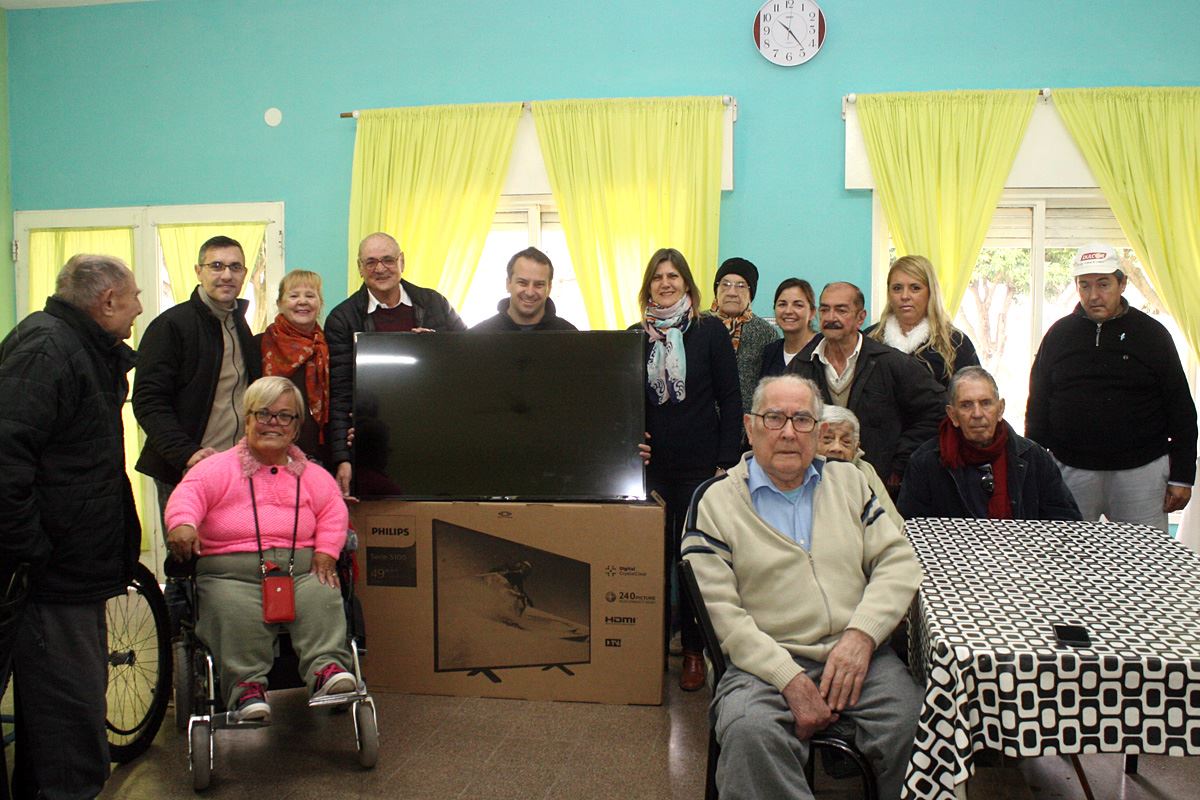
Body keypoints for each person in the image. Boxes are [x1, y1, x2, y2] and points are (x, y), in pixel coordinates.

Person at [682, 374, 923, 800]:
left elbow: (898, 560)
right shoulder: (715, 503)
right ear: (750, 426)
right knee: (749, 732)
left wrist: (862, 635)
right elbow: (721, 614)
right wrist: (788, 677)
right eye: (774, 418)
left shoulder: (851, 483)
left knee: (920, 725)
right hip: (760, 663)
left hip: (858, 654)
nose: (790, 432)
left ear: (817, 429)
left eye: (803, 419)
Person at [0, 254, 143, 798]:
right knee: (72, 723)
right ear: (107, 301)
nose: (138, 309)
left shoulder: (79, 347)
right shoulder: (48, 349)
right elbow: (6, 456)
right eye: (132, 297)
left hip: (72, 565)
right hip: (52, 574)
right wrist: (32, 550)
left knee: (57, 723)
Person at [164, 376, 356, 723]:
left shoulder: (314, 475)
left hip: (302, 569)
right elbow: (186, 497)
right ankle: (246, 690)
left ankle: (327, 671)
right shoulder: (215, 468)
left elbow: (333, 513)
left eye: (285, 416)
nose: (274, 423)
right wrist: (183, 524)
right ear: (247, 418)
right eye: (264, 414)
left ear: (296, 428)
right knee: (231, 609)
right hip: (229, 572)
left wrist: (326, 550)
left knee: (323, 595)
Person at [133, 234, 262, 630]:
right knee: (185, 566)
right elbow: (148, 402)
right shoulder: (171, 326)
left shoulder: (240, 324)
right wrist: (187, 454)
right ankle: (177, 662)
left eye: (235, 267)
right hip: (184, 467)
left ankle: (223, 649)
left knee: (227, 561)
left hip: (234, 467)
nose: (226, 274)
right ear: (199, 272)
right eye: (217, 266)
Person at [1026, 243, 1197, 535]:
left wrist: (1182, 476)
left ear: (1122, 283)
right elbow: (1038, 406)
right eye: (1085, 285)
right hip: (1070, 468)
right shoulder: (1058, 335)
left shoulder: (1152, 335)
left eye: (1103, 284)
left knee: (1145, 561)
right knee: (1065, 558)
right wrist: (1032, 469)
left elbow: (1180, 407)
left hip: (1141, 472)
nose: (1094, 295)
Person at [632, 248, 741, 692]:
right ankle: (651, 647)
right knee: (650, 561)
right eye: (657, 277)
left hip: (701, 467)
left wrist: (725, 462)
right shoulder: (634, 336)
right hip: (650, 469)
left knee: (693, 562)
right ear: (648, 286)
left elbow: (732, 399)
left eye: (673, 275)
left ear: (687, 284)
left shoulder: (709, 332)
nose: (666, 283)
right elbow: (624, 404)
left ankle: (694, 652)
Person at [326, 232, 467, 497]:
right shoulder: (342, 319)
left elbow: (468, 364)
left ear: (402, 261)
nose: (380, 268)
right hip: (373, 448)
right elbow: (340, 394)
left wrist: (437, 350)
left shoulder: (435, 304)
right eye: (370, 262)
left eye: (388, 260)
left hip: (434, 439)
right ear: (359, 267)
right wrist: (342, 459)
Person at [788, 281, 945, 494]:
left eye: (841, 310)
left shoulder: (890, 363)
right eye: (825, 309)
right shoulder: (801, 366)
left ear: (861, 317)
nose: (831, 318)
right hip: (815, 488)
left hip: (878, 488)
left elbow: (937, 409)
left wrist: (899, 460)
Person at [900, 366, 1081, 521]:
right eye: (966, 405)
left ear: (1000, 409)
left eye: (986, 403)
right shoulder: (926, 462)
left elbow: (1066, 525)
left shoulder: (1034, 458)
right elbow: (911, 530)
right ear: (952, 415)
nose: (977, 414)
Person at [255, 270, 332, 468]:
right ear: (280, 303)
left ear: (320, 303)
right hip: (268, 456)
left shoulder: (328, 348)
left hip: (320, 455)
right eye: (294, 295)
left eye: (310, 295)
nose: (302, 301)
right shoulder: (259, 344)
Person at [865, 255, 980, 387]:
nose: (905, 296)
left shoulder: (955, 343)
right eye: (897, 288)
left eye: (915, 288)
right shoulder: (870, 339)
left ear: (931, 292)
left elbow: (973, 395)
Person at [703, 257, 780, 416]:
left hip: (745, 426)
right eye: (725, 284)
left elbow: (770, 387)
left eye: (740, 286)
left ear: (751, 293)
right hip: (700, 422)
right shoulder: (697, 324)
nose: (732, 292)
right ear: (716, 289)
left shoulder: (766, 333)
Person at [818, 405, 904, 531]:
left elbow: (892, 525)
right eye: (827, 439)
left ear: (856, 447)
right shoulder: (800, 473)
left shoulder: (864, 471)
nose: (836, 448)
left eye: (846, 442)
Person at [471, 247, 578, 332]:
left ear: (549, 288)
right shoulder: (478, 337)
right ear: (508, 283)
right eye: (522, 283)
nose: (530, 292)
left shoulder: (571, 337)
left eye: (539, 285)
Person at [759, 277, 821, 378]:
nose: (788, 311)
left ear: (812, 312)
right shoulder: (770, 352)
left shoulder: (823, 348)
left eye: (798, 305)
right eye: (782, 304)